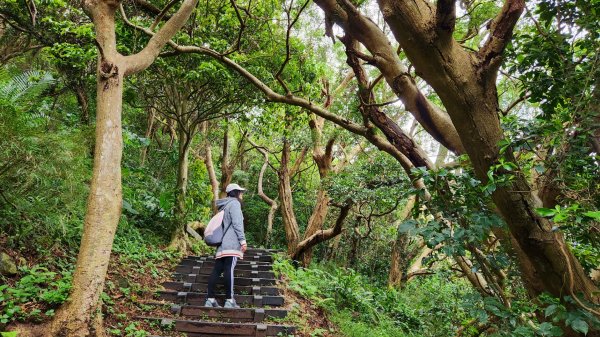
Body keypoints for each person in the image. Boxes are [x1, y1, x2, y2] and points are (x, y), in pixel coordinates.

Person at [205, 183, 247, 308]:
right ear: (236, 193)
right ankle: (229, 300)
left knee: (217, 270)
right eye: (240, 192)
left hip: (222, 244)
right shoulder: (235, 204)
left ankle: (210, 299)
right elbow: (237, 224)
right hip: (231, 243)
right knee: (229, 269)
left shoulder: (224, 206)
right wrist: (243, 241)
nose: (242, 194)